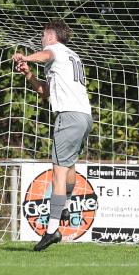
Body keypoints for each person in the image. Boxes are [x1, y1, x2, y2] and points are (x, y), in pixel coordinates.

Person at [13, 19, 93, 252]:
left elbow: (46, 55)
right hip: (84, 117)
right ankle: (65, 207)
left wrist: (25, 57)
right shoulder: (71, 56)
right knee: (68, 168)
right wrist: (29, 74)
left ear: (50, 35)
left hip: (68, 117)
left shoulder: (55, 50)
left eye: (42, 36)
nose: (41, 40)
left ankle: (51, 231)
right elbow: (45, 92)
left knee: (58, 173)